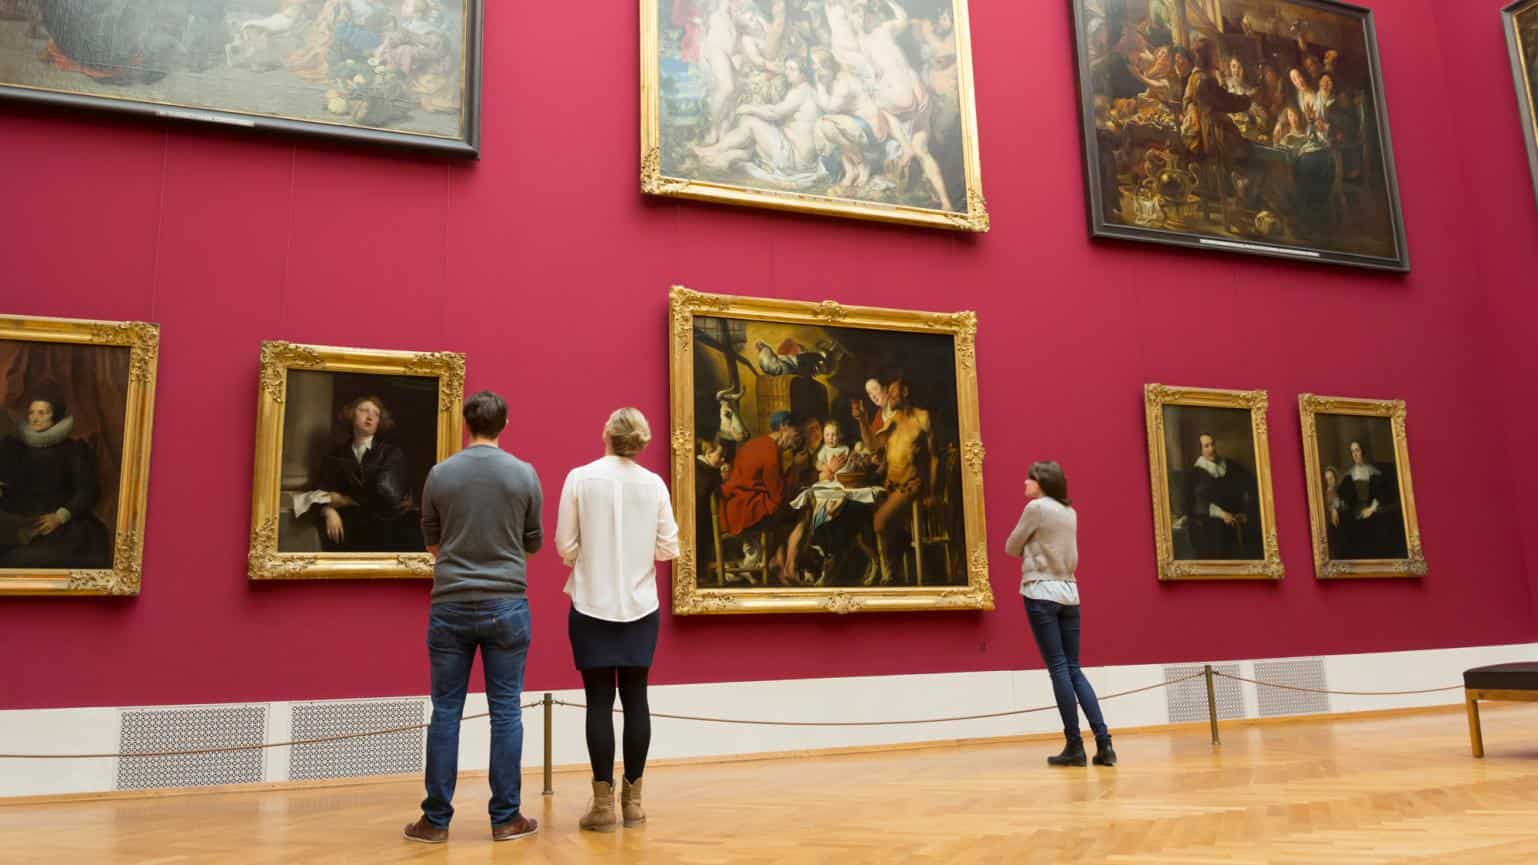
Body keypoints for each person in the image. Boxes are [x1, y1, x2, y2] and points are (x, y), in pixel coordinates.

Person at [404, 391, 543, 845]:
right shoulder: (524, 474)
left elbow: (431, 542)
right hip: (507, 603)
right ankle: (506, 818)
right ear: (506, 423)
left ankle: (435, 821)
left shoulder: (440, 475)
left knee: (445, 712)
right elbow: (533, 543)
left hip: (450, 604)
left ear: (467, 423)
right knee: (506, 713)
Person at [555, 408, 680, 832]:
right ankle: (634, 804)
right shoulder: (655, 485)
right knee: (637, 699)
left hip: (590, 603)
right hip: (641, 605)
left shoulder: (580, 478)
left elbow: (564, 545)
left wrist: (588, 556)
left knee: (597, 702)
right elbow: (668, 549)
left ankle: (603, 806)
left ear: (606, 432)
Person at [1005, 462, 1115, 768]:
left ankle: (1075, 745)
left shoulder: (1036, 508)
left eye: (1029, 478)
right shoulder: (1070, 512)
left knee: (1058, 669)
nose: (1025, 482)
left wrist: (1030, 546)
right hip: (1070, 593)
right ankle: (1104, 744)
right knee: (1074, 669)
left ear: (1041, 482)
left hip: (1040, 593)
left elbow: (1010, 547)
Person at [0, 396, 112, 569]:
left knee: (34, 560)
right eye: (31, 413)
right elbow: (12, 489)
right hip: (25, 523)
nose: (34, 418)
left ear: (56, 417)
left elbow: (87, 491)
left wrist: (60, 517)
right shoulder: (15, 448)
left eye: (42, 413)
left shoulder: (74, 450)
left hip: (63, 526)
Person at [315, 395, 420, 552]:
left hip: (387, 530)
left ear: (379, 422)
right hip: (348, 532)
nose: (370, 417)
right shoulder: (336, 455)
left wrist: (347, 500)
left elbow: (386, 494)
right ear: (351, 415)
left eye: (376, 414)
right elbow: (320, 490)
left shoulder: (391, 453)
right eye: (364, 410)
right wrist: (328, 510)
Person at [1183, 433, 1258, 560]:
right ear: (1200, 450)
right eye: (1206, 446)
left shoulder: (1229, 464)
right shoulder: (1196, 473)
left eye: (1212, 444)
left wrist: (1243, 511)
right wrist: (1222, 514)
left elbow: (1250, 484)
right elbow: (1198, 503)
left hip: (1236, 520)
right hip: (1211, 523)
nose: (1211, 449)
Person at [1337, 440, 1406, 560]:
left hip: (1373, 511)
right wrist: (1333, 508)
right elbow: (1340, 496)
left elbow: (1382, 494)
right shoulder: (1349, 475)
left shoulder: (1374, 472)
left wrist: (1372, 509)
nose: (1355, 454)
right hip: (1356, 515)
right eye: (1352, 452)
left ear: (1362, 451)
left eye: (1357, 450)